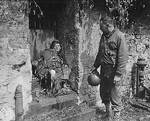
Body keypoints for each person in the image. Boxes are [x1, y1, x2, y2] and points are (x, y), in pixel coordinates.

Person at [92, 16, 128, 121]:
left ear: (108, 25)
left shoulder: (119, 36)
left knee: (114, 93)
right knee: (104, 91)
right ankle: (108, 114)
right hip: (104, 69)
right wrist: (95, 66)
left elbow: (123, 56)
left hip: (114, 70)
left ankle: (116, 116)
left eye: (101, 26)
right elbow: (100, 53)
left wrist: (118, 74)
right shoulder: (103, 36)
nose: (99, 28)